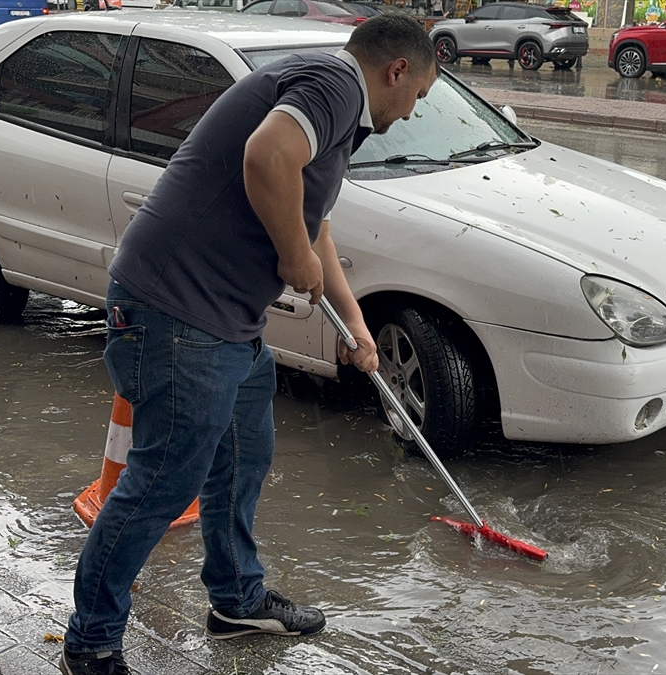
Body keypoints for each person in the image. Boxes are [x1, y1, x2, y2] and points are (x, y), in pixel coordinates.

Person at [60, 15, 438, 675]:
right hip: (175, 311)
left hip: (228, 321)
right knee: (159, 484)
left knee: (243, 458)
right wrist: (291, 254)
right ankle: (90, 642)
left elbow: (314, 228)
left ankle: (236, 600)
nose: (412, 113)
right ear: (396, 71)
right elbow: (266, 156)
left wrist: (353, 323)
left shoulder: (338, 114)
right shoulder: (335, 83)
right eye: (418, 96)